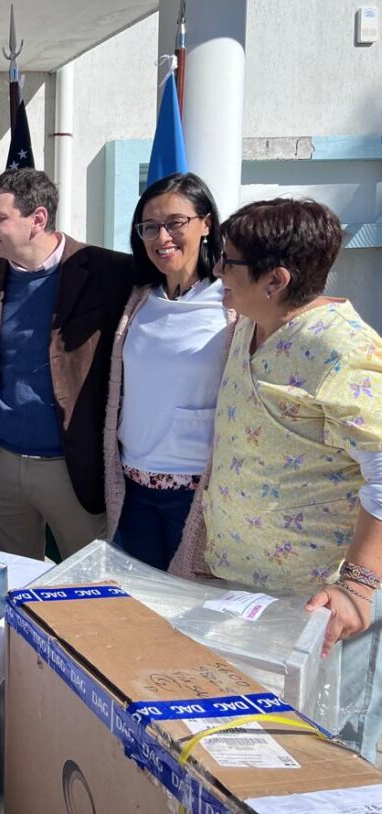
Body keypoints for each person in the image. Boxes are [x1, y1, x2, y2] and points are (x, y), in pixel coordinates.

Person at [171, 198, 382, 757]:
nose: (216, 270)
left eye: (229, 262)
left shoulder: (341, 348)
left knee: (326, 751)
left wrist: (358, 585)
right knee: (258, 746)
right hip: (247, 592)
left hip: (321, 611)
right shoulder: (252, 322)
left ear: (276, 279)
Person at [0, 168, 132, 561]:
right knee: (15, 586)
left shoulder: (107, 270)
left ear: (38, 219)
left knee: (89, 589)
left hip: (71, 468)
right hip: (3, 465)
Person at [103, 173, 232, 570]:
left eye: (175, 223)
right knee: (141, 606)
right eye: (150, 227)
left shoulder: (230, 304)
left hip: (196, 492)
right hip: (134, 486)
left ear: (206, 223)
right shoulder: (140, 301)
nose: (162, 238)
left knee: (191, 609)